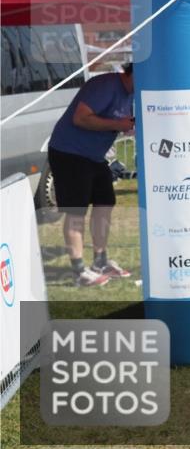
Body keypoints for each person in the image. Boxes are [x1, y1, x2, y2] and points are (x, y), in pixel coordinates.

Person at [47, 64, 135, 287]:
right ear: (134, 73)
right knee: (76, 211)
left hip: (94, 156)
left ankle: (100, 262)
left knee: (105, 204)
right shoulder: (105, 85)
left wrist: (128, 125)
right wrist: (119, 124)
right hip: (69, 152)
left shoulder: (129, 92)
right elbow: (81, 118)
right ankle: (79, 272)